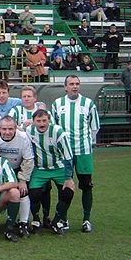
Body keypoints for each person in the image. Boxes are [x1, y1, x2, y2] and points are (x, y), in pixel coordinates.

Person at [51, 75, 100, 233]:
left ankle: (86, 219)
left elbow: (94, 127)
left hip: (83, 151)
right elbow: (54, 127)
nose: (75, 86)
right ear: (65, 87)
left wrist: (88, 143)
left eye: (77, 84)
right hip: (64, 152)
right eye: (71, 84)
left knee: (86, 185)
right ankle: (63, 219)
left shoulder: (88, 104)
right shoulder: (58, 104)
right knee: (63, 186)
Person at [24, 110, 76, 235]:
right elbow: (13, 129)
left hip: (58, 168)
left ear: (49, 120)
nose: (42, 124)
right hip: (39, 168)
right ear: (33, 121)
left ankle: (56, 221)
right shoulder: (27, 131)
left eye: (44, 120)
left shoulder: (58, 132)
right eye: (38, 121)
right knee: (34, 194)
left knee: (68, 192)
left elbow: (68, 156)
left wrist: (68, 178)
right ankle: (36, 220)